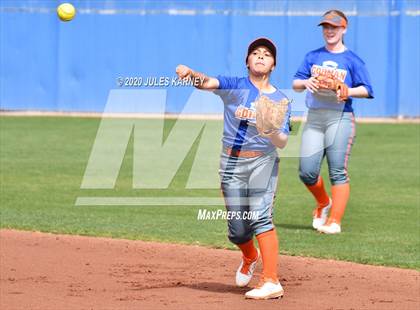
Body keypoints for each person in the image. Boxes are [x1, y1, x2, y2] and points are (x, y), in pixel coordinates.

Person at [176, 37, 291, 299]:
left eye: (266, 54)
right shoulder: (234, 86)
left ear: (273, 64)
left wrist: (270, 128)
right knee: (238, 230)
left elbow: (282, 142)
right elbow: (207, 83)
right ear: (247, 61)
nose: (260, 56)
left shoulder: (280, 100)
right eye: (255, 53)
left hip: (263, 161)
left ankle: (271, 280)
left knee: (261, 217)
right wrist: (191, 74)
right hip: (231, 163)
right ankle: (250, 256)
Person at [292, 10, 374, 234]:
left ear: (344, 29)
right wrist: (306, 82)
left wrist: (348, 90)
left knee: (337, 171)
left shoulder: (352, 60)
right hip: (315, 118)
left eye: (334, 27)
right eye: (326, 27)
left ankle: (334, 221)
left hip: (340, 118)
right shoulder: (312, 56)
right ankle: (323, 203)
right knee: (306, 171)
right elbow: (296, 82)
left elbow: (367, 90)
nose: (330, 31)